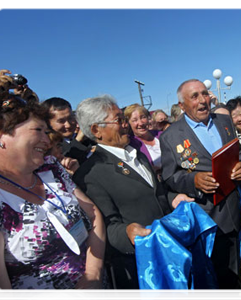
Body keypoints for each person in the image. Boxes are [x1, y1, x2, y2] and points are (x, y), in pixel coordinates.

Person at [72, 95, 193, 300]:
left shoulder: (136, 154)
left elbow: (156, 192)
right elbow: (105, 227)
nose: (126, 124)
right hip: (140, 267)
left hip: (169, 250)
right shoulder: (90, 174)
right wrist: (127, 232)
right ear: (96, 130)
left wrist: (173, 198)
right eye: (119, 120)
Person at [0, 94, 106, 300]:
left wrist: (93, 275)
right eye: (38, 131)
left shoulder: (51, 168)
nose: (47, 139)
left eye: (47, 131)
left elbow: (93, 214)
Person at [159, 79, 241, 299]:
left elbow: (239, 153)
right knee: (214, 279)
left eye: (204, 94)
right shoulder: (171, 136)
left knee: (235, 272)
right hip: (206, 220)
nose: (202, 100)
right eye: (195, 96)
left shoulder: (224, 121)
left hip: (234, 211)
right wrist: (194, 181)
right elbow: (170, 176)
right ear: (182, 105)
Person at [41, 97, 93, 164]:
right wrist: (78, 141)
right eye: (61, 121)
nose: (68, 125)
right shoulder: (48, 146)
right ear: (47, 123)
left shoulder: (90, 139)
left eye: (70, 118)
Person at [124, 104, 163, 177]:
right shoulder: (131, 145)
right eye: (134, 120)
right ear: (129, 123)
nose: (141, 123)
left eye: (143, 117)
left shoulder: (161, 135)